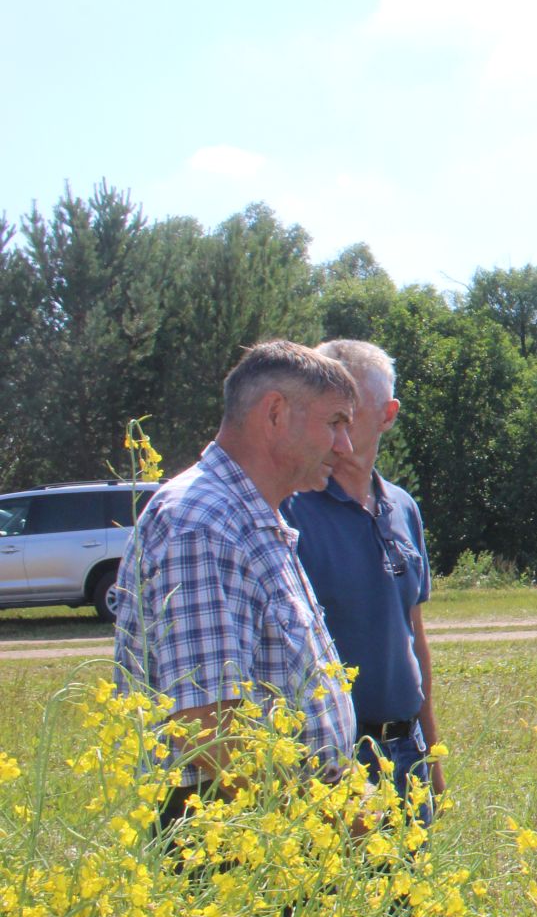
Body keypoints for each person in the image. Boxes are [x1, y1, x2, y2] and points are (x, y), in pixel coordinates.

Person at [113, 341, 362, 830]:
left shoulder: (250, 517)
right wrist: (338, 825)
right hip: (236, 848)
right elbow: (211, 730)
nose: (345, 446)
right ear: (275, 413)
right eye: (334, 422)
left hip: (277, 833)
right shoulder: (203, 522)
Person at [283, 340, 444, 821]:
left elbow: (413, 634)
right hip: (332, 758)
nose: (339, 424)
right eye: (329, 410)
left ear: (388, 415)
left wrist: (432, 752)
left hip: (406, 749)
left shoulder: (402, 506)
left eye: (350, 408)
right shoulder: (289, 507)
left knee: (413, 895)